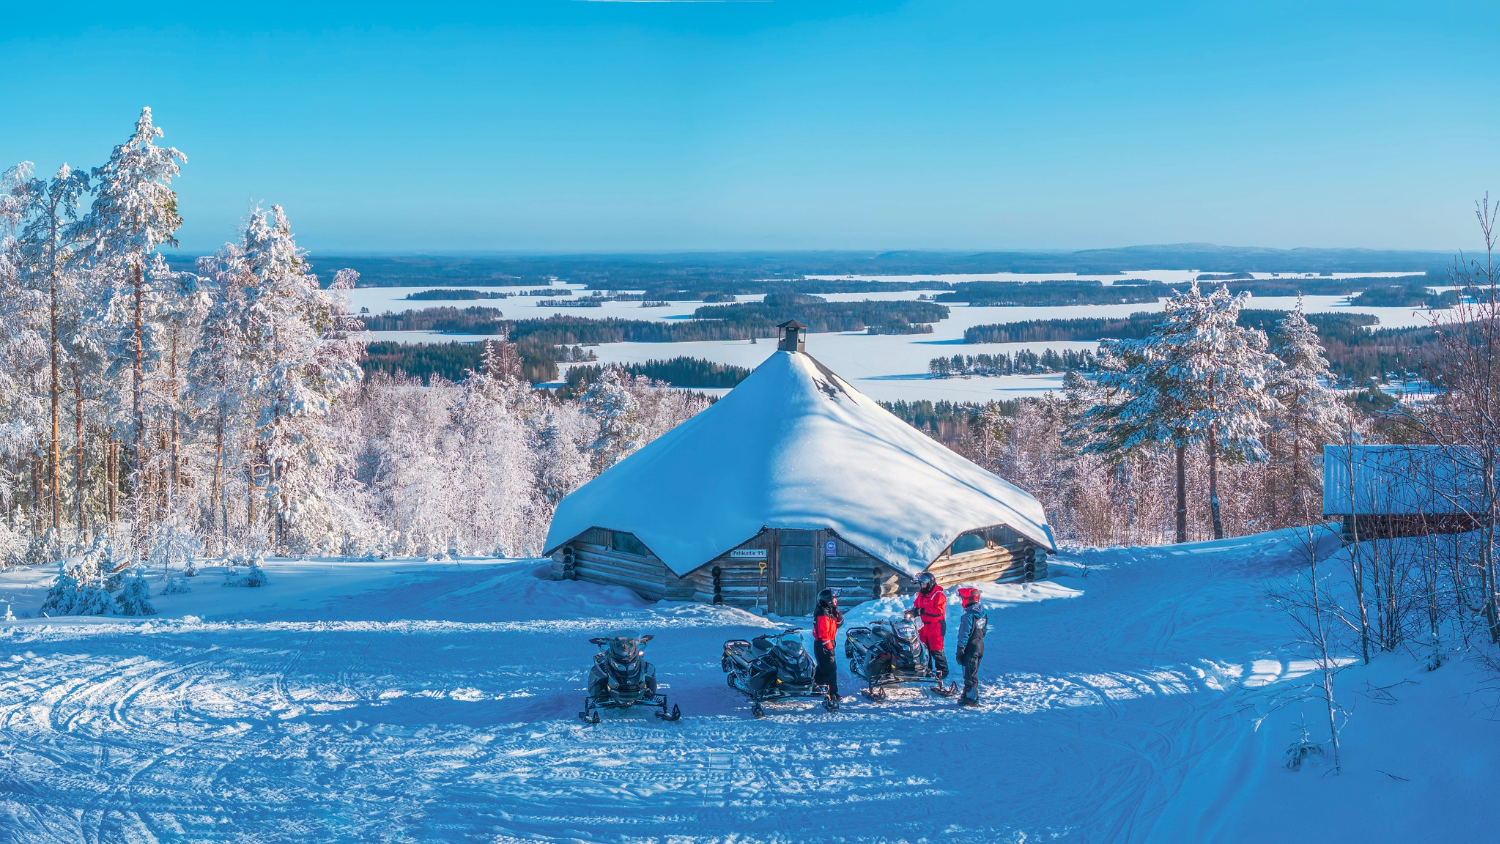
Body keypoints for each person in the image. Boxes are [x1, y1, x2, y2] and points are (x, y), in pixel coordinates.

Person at [908, 572, 949, 680]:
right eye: (921, 584)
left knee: (936, 649)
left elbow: (939, 611)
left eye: (924, 584)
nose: (922, 586)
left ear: (930, 583)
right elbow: (916, 606)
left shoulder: (938, 595)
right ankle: (927, 670)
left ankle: (942, 671)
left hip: (936, 626)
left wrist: (922, 611)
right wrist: (912, 612)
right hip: (924, 626)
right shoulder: (921, 595)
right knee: (924, 649)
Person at [955, 587, 988, 706]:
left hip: (970, 647)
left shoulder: (967, 616)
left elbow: (963, 634)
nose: (962, 601)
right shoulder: (982, 613)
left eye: (963, 598)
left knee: (969, 673)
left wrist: (960, 649)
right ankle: (967, 694)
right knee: (973, 672)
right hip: (980, 645)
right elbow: (984, 630)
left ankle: (972, 697)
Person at [813, 588, 844, 698]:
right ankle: (833, 692)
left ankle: (815, 684)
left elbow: (839, 622)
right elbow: (823, 634)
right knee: (831, 668)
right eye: (833, 598)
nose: (836, 600)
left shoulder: (829, 611)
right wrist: (829, 647)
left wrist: (836, 610)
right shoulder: (822, 613)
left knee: (823, 667)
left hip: (827, 643)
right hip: (823, 644)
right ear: (828, 600)